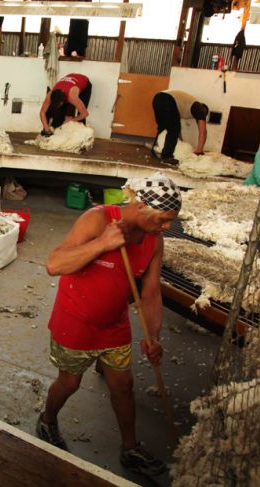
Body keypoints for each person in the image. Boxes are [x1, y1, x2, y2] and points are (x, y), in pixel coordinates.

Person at [37, 172, 181, 477]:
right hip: (75, 322)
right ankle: (48, 419)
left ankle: (130, 449)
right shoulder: (98, 220)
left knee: (124, 385)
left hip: (114, 325)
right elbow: (55, 264)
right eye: (164, 219)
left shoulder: (154, 240)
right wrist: (103, 243)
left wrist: (153, 336)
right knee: (70, 383)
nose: (168, 226)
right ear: (142, 206)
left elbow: (151, 293)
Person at [152, 90, 209, 163]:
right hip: (167, 99)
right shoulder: (200, 109)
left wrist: (180, 141)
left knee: (163, 127)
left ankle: (155, 149)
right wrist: (199, 150)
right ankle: (167, 156)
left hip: (158, 98)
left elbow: (176, 125)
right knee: (173, 129)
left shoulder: (185, 105)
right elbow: (203, 131)